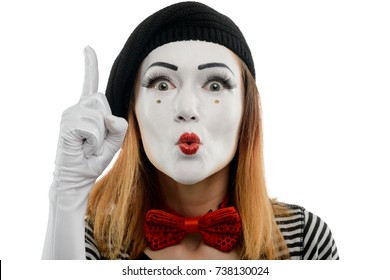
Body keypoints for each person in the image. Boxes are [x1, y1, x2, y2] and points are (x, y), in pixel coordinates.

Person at [42, 1, 339, 260]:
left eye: (215, 85)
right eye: (161, 84)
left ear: (246, 111)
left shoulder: (303, 241)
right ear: (132, 111)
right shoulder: (91, 242)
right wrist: (67, 192)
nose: (187, 108)